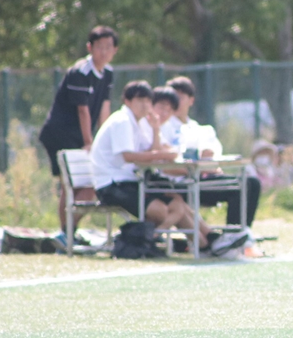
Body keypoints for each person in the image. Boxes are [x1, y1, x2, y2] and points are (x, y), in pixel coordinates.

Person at [90, 81, 245, 253]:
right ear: (127, 101)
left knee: (178, 204)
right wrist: (161, 155)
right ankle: (157, 239)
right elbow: (130, 156)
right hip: (112, 185)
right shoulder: (123, 121)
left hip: (132, 180)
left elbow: (158, 150)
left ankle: (208, 242)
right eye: (140, 100)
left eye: (147, 101)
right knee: (164, 210)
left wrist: (157, 135)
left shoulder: (139, 123)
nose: (145, 105)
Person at [39, 25, 117, 238]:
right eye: (99, 46)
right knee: (70, 185)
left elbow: (104, 109)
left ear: (115, 50)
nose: (104, 51)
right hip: (61, 134)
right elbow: (83, 111)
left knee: (89, 186)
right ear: (89, 47)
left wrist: (104, 140)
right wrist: (89, 142)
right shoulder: (79, 72)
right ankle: (65, 235)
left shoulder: (108, 73)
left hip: (81, 137)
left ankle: (69, 232)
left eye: (108, 47)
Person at [163, 76, 262, 229]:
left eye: (180, 98)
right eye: (172, 98)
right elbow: (166, 165)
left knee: (252, 183)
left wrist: (206, 165)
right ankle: (233, 233)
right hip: (180, 184)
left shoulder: (200, 129)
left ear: (191, 100)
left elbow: (210, 158)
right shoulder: (163, 127)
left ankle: (241, 233)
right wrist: (198, 167)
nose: (175, 102)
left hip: (201, 179)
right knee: (238, 188)